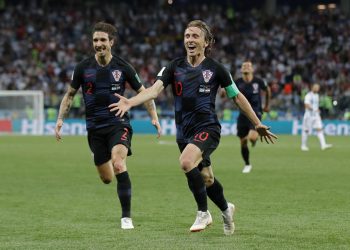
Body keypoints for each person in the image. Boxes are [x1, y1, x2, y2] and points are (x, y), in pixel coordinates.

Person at [109, 20, 277, 235]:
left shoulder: (217, 69)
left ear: (206, 42)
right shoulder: (173, 66)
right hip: (184, 133)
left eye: (195, 36)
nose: (190, 40)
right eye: (187, 36)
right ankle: (226, 209)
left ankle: (203, 213)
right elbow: (153, 90)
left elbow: (237, 97)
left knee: (186, 161)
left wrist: (257, 122)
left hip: (208, 127)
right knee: (206, 178)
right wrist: (130, 102)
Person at [54, 22, 161, 230]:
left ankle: (126, 218)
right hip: (94, 128)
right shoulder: (83, 68)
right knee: (106, 178)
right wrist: (60, 120)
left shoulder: (123, 67)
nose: (99, 44)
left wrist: (154, 117)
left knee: (119, 163)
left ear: (111, 42)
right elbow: (69, 95)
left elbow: (145, 93)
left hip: (118, 123)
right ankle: (104, 162)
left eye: (103, 40)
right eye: (95, 40)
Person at [235, 61, 271, 173]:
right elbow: (226, 91)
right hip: (242, 114)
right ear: (241, 70)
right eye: (243, 65)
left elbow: (268, 90)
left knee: (251, 137)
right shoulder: (237, 82)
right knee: (243, 142)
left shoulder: (258, 81)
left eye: (248, 65)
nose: (246, 67)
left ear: (252, 69)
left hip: (256, 113)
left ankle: (254, 138)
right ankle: (247, 164)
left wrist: (266, 105)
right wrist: (222, 92)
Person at [301, 83, 332, 151]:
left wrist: (317, 112)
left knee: (319, 129)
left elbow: (316, 106)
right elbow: (306, 105)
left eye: (318, 87)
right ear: (312, 88)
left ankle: (323, 145)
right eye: (316, 87)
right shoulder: (308, 95)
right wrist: (314, 109)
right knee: (306, 130)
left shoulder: (317, 95)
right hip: (308, 115)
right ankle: (303, 145)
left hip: (316, 115)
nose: (317, 89)